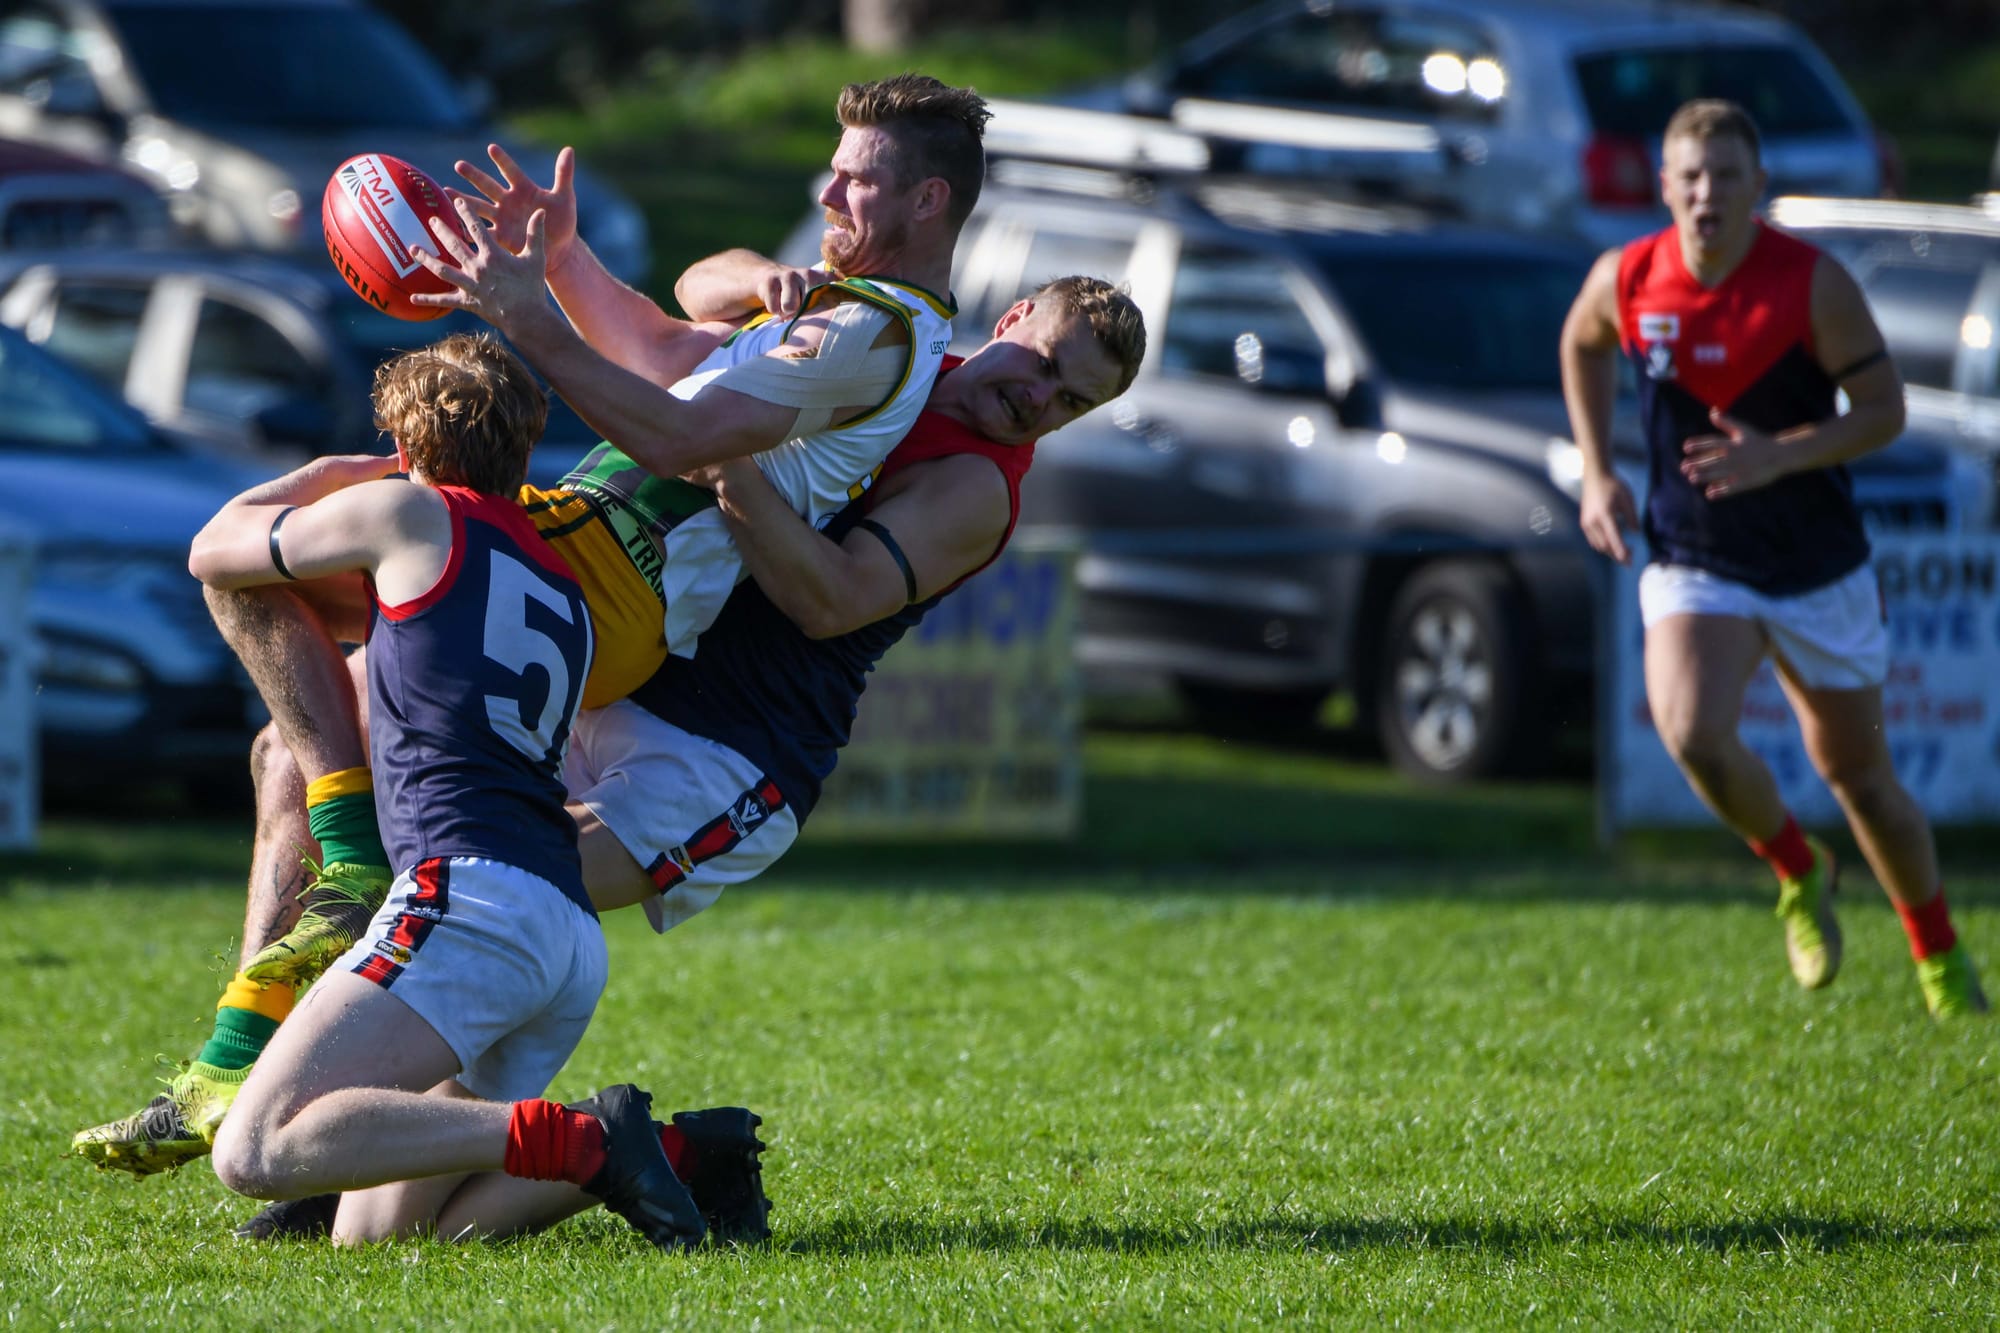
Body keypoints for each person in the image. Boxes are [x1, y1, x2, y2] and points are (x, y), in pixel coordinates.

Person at [72, 258, 1145, 1239]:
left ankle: (567, 1137)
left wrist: (726, 461)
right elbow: (688, 312)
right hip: (624, 671)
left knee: (466, 877)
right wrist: (691, 273)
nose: (1041, 403)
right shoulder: (881, 352)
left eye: (1073, 403)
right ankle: (278, 1085)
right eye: (1047, 367)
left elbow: (830, 600)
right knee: (293, 763)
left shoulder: (974, 481)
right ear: (1009, 319)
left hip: (725, 755)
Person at [68, 76, 987, 1180]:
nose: (828, 186)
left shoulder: (872, 336)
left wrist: (523, 317)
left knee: (252, 566)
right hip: (571, 544)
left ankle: (338, 990)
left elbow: (664, 429)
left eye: (859, 176)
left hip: (605, 575)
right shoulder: (842, 313)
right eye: (832, 164)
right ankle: (234, 1073)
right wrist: (560, 255)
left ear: (928, 200)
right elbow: (656, 347)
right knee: (287, 750)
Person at [185, 331, 708, 1251]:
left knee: (254, 1149)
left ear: (410, 452)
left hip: (467, 898)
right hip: (565, 932)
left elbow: (217, 550)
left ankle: (589, 1136)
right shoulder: (562, 580)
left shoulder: (410, 516)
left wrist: (329, 469)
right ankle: (672, 1148)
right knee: (377, 1241)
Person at [1558, 99, 1987, 1019]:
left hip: (1817, 566)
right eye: (1690, 174)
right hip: (1695, 556)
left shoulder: (1811, 284)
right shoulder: (1628, 277)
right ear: (1665, 186)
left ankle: (1938, 950)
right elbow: (1580, 342)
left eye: (1725, 174)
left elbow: (1885, 414)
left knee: (1863, 781)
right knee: (1692, 732)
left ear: (1760, 188)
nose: (1706, 191)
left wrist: (1780, 453)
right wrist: (1598, 473)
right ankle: (1798, 867)